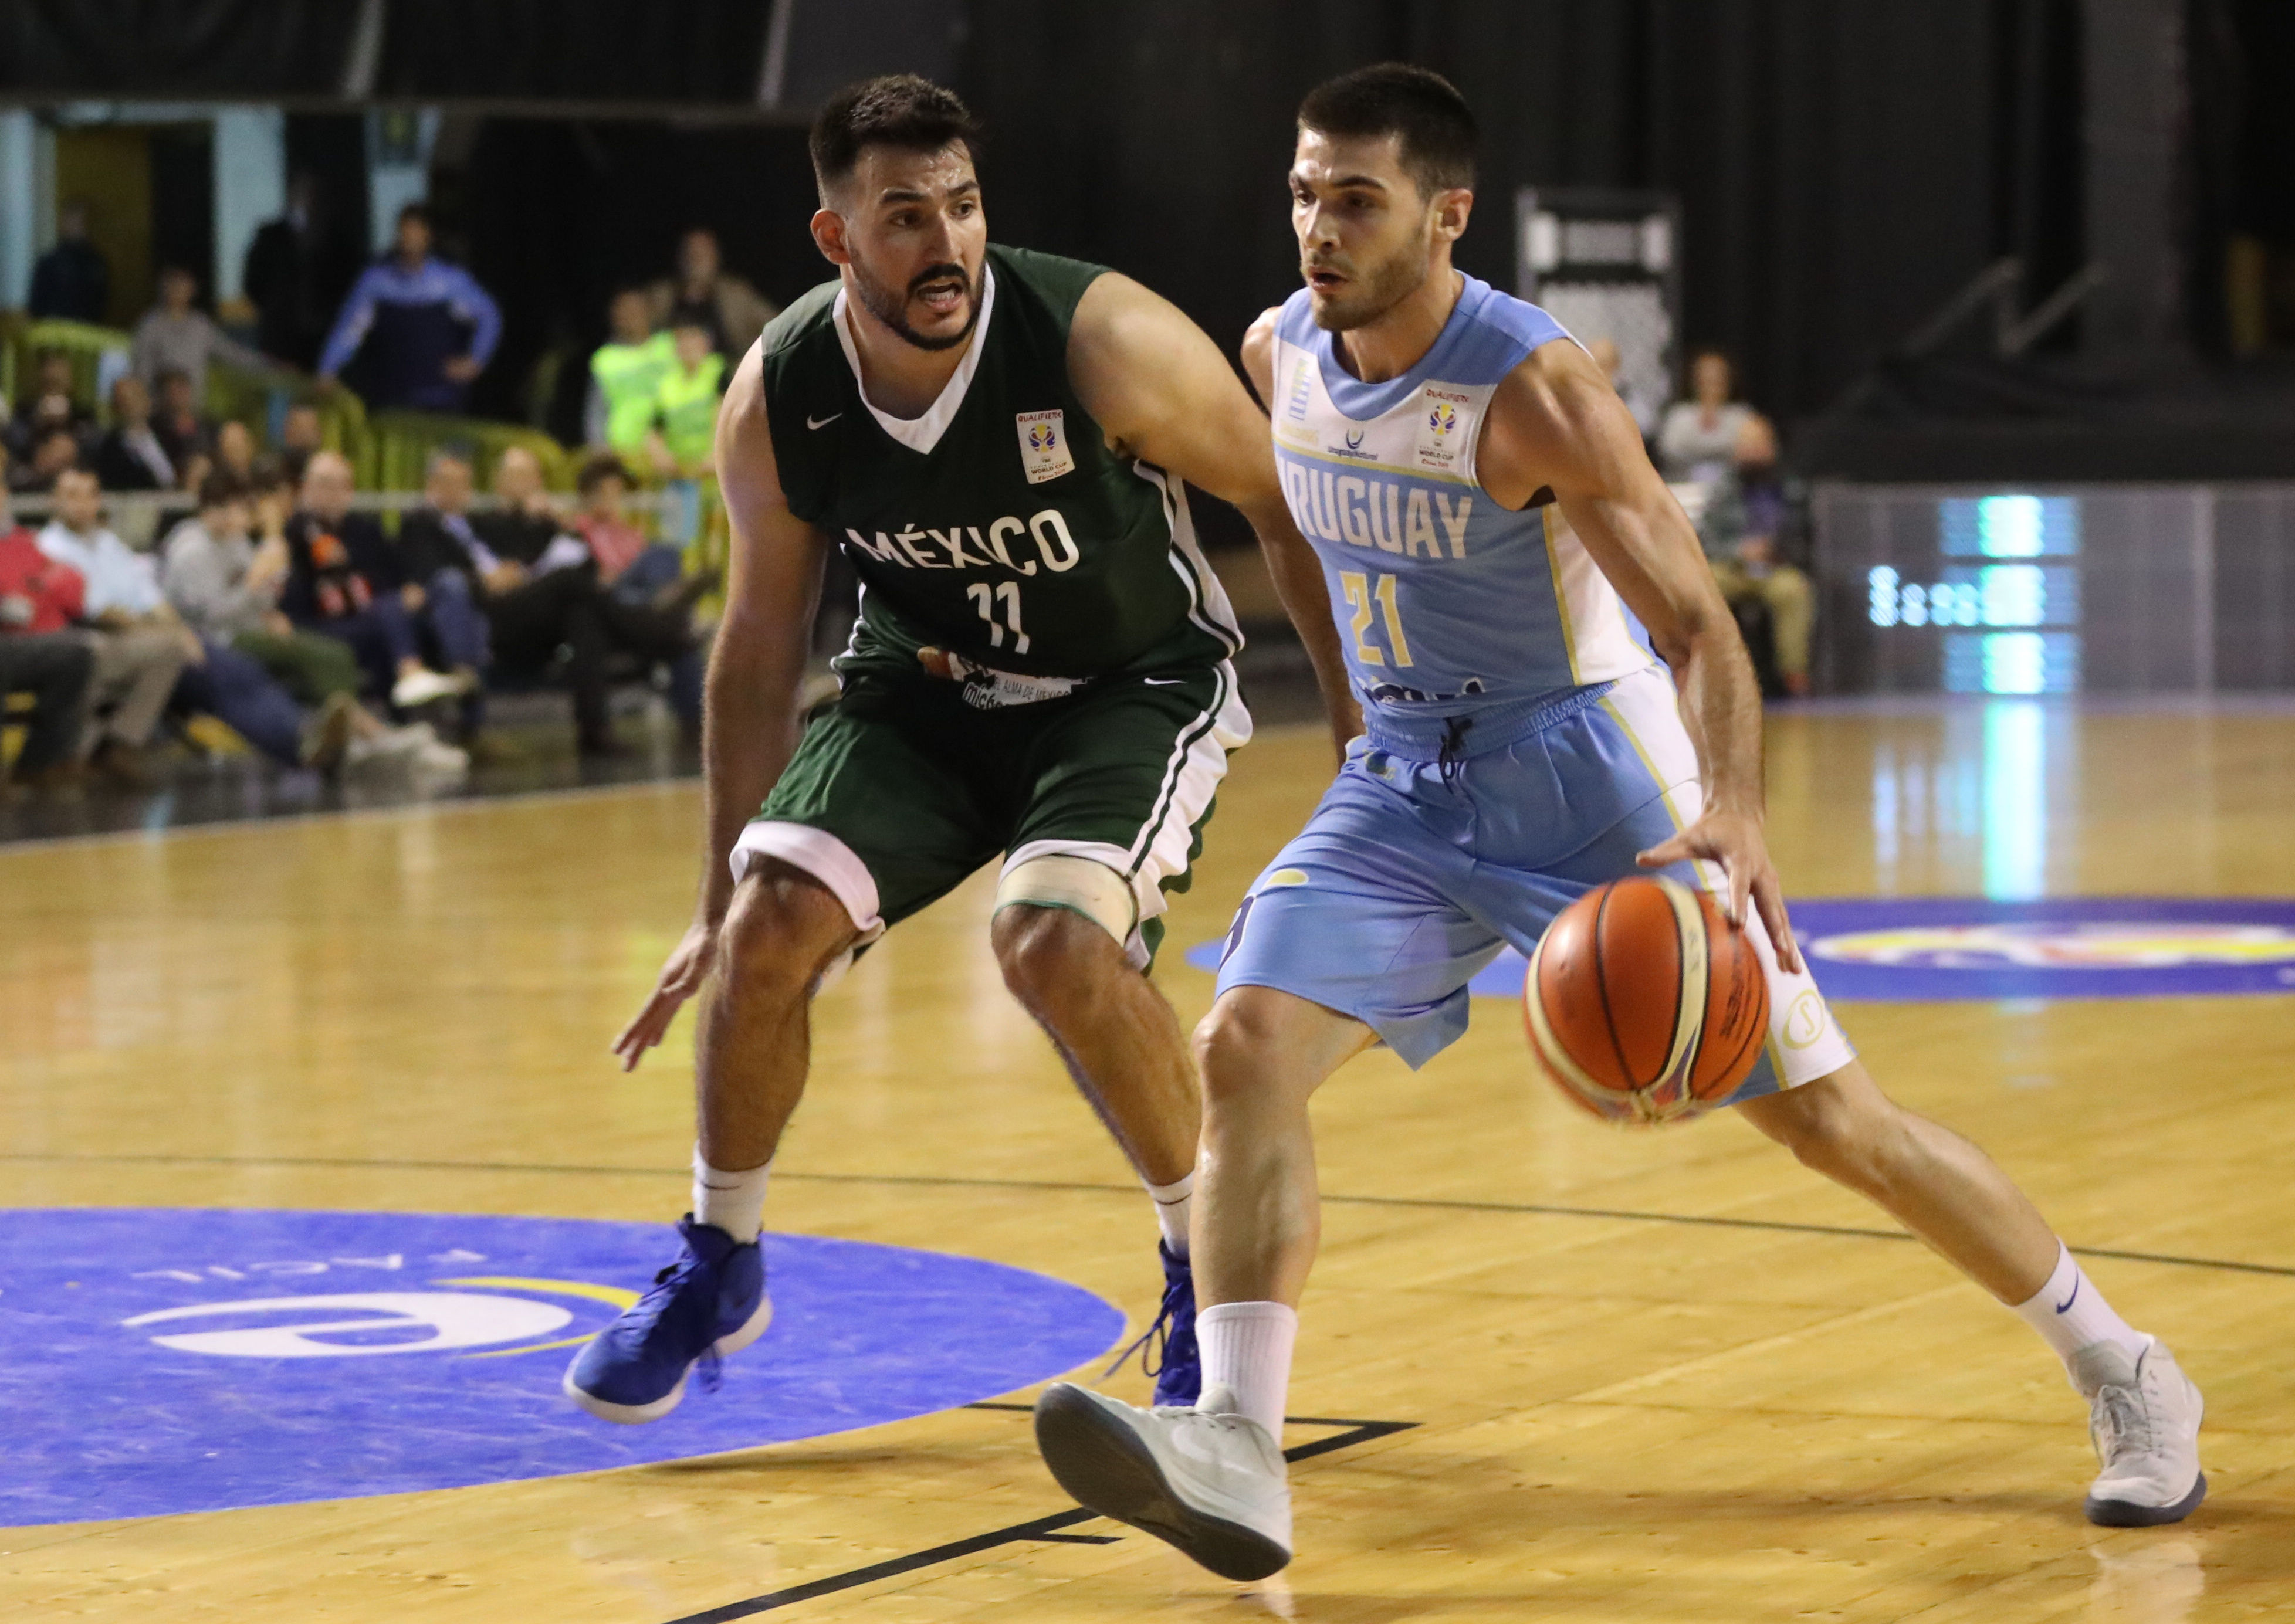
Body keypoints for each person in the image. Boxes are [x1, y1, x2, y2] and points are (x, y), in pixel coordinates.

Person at [1031, 64, 2207, 1579]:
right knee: (1244, 1046)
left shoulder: (1534, 386)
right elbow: (1292, 526)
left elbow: (1703, 627)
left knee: (1834, 1126)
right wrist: (1345, 713)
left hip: (1592, 779)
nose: (1319, 224)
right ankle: (1242, 1453)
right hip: (1405, 773)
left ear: (1446, 215)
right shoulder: (1278, 348)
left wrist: (1735, 814)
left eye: (1356, 198)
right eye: (1305, 192)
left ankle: (2125, 1369)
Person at [567, 73, 1341, 1429]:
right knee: (765, 928)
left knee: (1050, 942)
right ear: (837, 240)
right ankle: (718, 1254)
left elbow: (1279, 498)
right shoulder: (782, 391)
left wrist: (1358, 725)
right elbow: (755, 646)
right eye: (906, 215)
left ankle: (1201, 1280)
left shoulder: (1098, 336)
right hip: (921, 691)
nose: (947, 242)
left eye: (965, 206)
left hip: (1124, 684)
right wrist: (707, 898)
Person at [160, 469, 415, 774]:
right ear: (212, 510)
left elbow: (264, 596)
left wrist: (267, 599)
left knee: (335, 652)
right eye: (236, 508)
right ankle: (360, 734)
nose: (242, 517)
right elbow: (212, 616)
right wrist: (252, 586)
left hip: (249, 628)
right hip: (218, 639)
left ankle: (356, 731)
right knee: (322, 657)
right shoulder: (192, 551)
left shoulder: (234, 541)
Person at [1657, 349, 1813, 695]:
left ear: (1772, 447)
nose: (1753, 451)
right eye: (1747, 445)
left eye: (1760, 444)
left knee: (1795, 592)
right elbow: (1708, 538)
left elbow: (1804, 538)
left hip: (1775, 569)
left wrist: (1776, 553)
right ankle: (1711, 675)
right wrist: (1739, 551)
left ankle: (1794, 678)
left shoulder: (1791, 488)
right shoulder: (1725, 489)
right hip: (1732, 565)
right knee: (1704, 589)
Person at [283, 450, 472, 712]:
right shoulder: (294, 532)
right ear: (306, 488)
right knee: (388, 612)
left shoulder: (365, 529)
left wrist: (411, 586)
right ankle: (410, 672)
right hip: (327, 622)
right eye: (324, 484)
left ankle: (463, 676)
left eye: (341, 485)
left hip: (380, 614)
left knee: (444, 590)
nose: (333, 493)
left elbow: (399, 568)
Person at [33, 467, 189, 783]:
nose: (82, 504)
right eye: (72, 496)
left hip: (129, 637)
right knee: (95, 653)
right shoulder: (46, 547)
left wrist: (177, 629)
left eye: (90, 495)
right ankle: (72, 754)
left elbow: (149, 594)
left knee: (176, 647)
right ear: (54, 501)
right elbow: (93, 611)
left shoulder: (108, 543)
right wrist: (150, 628)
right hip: (83, 637)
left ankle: (119, 745)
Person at [317, 204, 502, 412]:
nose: (410, 239)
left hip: (440, 396)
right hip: (392, 397)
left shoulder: (450, 282)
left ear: (427, 236)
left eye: (416, 232)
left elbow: (489, 316)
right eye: (405, 232)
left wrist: (476, 360)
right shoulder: (376, 282)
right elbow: (349, 331)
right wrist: (327, 370)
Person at [0, 499, 97, 791]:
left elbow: (70, 586)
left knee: (76, 653)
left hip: (22, 637)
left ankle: (38, 763)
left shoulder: (24, 541)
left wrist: (41, 590)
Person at [242, 172, 363, 371]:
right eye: (300, 191)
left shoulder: (336, 240)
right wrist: (276, 307)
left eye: (311, 193)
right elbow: (253, 283)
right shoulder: (270, 237)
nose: (305, 198)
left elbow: (348, 284)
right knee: (281, 392)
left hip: (324, 336)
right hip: (279, 338)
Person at [570, 450, 698, 608]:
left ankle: (669, 599)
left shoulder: (624, 527)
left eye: (618, 493)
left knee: (666, 552)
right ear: (590, 495)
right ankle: (668, 600)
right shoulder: (582, 527)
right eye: (607, 493)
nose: (614, 501)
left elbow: (641, 552)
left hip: (637, 579)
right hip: (612, 587)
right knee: (661, 556)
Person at [131, 266, 277, 401]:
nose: (177, 289)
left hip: (193, 413)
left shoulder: (201, 326)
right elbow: (141, 372)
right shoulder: (149, 325)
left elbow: (232, 354)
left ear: (192, 288)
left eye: (183, 284)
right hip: (159, 410)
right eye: (173, 283)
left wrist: (270, 364)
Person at [644, 227, 777, 363]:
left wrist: (751, 361)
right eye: (690, 253)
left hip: (728, 376)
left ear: (716, 257)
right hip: (671, 375)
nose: (695, 259)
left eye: (703, 253)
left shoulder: (737, 295)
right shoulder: (661, 295)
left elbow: (777, 326)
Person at [587, 289, 678, 466]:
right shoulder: (605, 359)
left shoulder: (671, 346)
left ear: (649, 311)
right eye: (624, 311)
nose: (631, 316)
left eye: (636, 309)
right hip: (623, 455)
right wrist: (600, 451)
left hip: (672, 452)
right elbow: (595, 411)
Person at [28, 201, 109, 324]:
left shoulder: (96, 264)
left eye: (81, 222)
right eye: (72, 221)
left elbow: (101, 303)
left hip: (88, 330)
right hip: (53, 331)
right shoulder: (49, 263)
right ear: (63, 223)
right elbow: (37, 306)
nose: (76, 227)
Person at [93, 376, 177, 492]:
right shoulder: (109, 449)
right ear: (115, 407)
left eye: (136, 397)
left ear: (148, 401)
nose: (131, 405)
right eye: (123, 400)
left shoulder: (169, 436)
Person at [149, 368, 214, 486]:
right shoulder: (155, 429)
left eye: (182, 389)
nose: (178, 395)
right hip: (174, 483)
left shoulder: (208, 426)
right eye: (172, 390)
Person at [276, 403, 326, 486]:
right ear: (286, 432)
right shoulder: (277, 470)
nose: (303, 434)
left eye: (308, 428)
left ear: (319, 434)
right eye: (298, 427)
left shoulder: (329, 470)